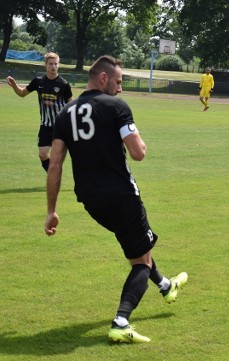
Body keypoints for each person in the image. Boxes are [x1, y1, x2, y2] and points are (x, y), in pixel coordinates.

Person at [45, 55, 188, 344]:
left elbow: (55, 163)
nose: (120, 89)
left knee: (137, 243)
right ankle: (121, 322)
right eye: (119, 82)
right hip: (121, 194)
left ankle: (165, 286)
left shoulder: (65, 113)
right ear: (103, 79)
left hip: (90, 201)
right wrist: (141, 141)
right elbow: (138, 153)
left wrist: (51, 210)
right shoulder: (116, 107)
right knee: (141, 263)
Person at [7, 52, 73, 172]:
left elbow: (71, 104)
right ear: (46, 65)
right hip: (45, 125)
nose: (53, 66)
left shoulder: (63, 84)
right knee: (43, 154)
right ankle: (53, 174)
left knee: (58, 156)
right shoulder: (38, 82)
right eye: (50, 64)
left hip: (60, 126)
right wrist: (14, 86)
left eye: (55, 64)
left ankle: (55, 176)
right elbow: (22, 93)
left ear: (59, 65)